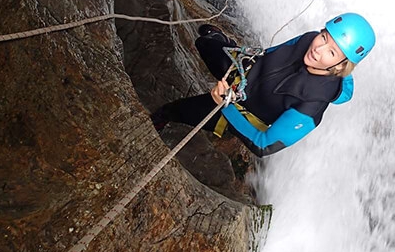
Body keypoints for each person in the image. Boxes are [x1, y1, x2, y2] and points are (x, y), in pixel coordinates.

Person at [152, 13, 376, 157]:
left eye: (332, 52)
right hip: (244, 73)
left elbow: (263, 145)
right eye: (325, 37)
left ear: (340, 65)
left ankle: (162, 117)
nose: (318, 49)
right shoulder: (309, 39)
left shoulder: (314, 103)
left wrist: (226, 105)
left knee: (178, 110)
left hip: (240, 109)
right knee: (205, 41)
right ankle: (222, 40)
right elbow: (272, 54)